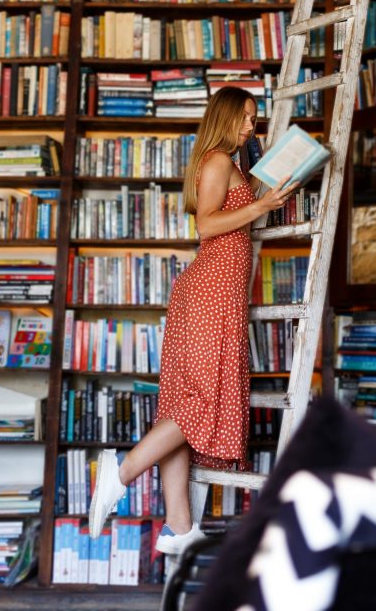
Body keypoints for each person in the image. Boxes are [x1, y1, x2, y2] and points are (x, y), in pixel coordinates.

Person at [88, 86, 298, 555]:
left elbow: (228, 216)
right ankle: (119, 473)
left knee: (183, 405)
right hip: (210, 293)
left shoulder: (233, 163)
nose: (251, 127)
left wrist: (271, 194)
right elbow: (206, 225)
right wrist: (262, 206)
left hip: (213, 295)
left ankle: (179, 529)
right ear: (225, 119)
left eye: (254, 119)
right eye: (245, 118)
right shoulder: (220, 159)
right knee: (202, 403)